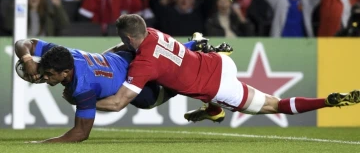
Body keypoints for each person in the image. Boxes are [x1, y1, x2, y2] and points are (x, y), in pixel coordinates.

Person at [93, 14, 359, 125]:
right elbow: (129, 43)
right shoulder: (153, 33)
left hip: (220, 87)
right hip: (218, 62)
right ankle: (213, 106)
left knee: (274, 105)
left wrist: (84, 100)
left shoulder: (143, 63)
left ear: (128, 38)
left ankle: (326, 102)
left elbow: (117, 103)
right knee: (182, 75)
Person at [15, 36, 231, 143]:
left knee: (178, 84)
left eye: (50, 74)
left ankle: (203, 54)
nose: (45, 77)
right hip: (124, 58)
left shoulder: (82, 88)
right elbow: (24, 42)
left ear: (64, 73)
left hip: (143, 90)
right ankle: (191, 47)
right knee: (127, 48)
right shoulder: (62, 54)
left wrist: (40, 143)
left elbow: (80, 134)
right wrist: (26, 57)